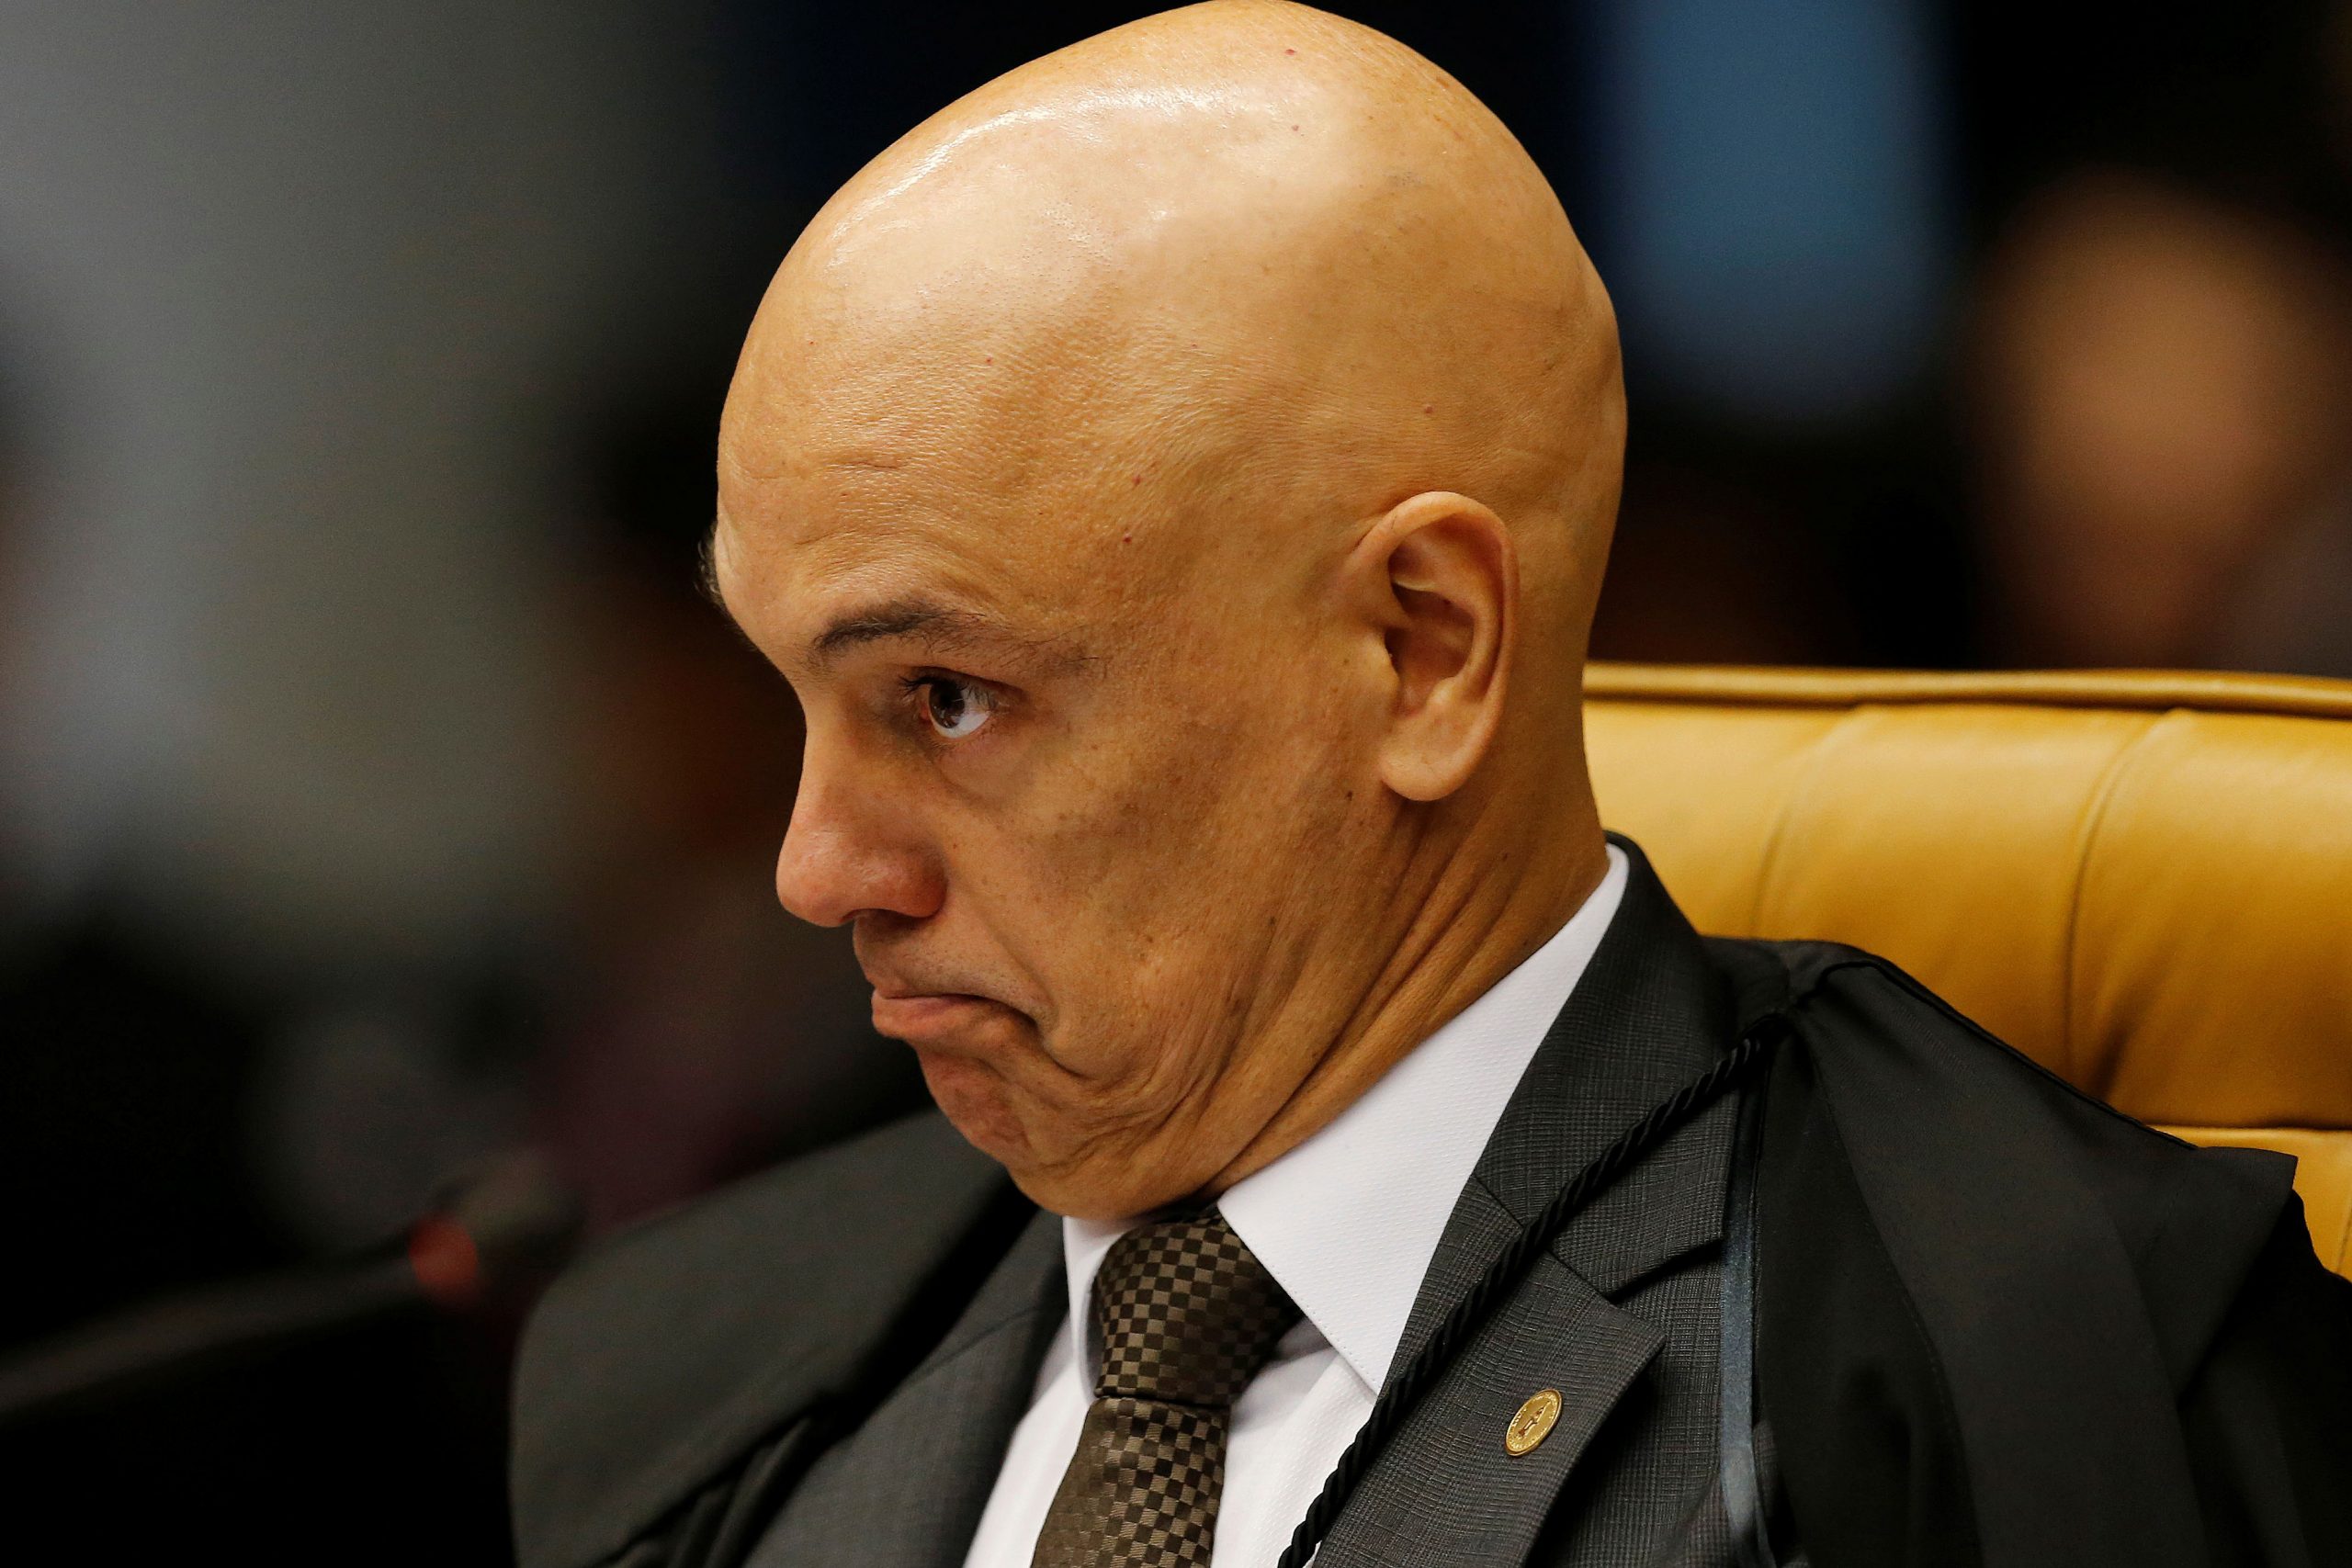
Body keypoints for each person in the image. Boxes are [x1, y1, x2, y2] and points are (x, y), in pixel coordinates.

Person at [510, 6, 2352, 1567]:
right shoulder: (669, 1376)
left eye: (946, 698)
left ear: (1421, 649)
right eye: (795, 699)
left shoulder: (2017, 1357)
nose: (815, 866)